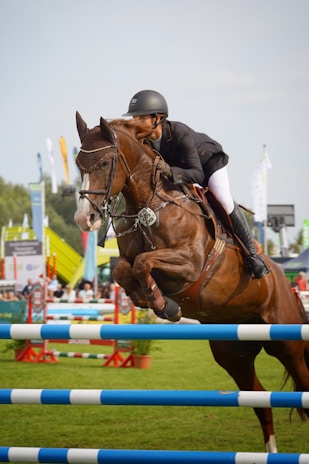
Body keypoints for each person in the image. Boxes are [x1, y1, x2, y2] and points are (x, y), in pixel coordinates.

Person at [122, 90, 270, 279]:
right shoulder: (143, 141)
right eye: (134, 118)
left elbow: (197, 173)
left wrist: (168, 171)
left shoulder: (178, 132)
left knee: (223, 199)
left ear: (157, 118)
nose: (135, 123)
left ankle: (252, 255)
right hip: (180, 172)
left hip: (208, 165)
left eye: (140, 118)